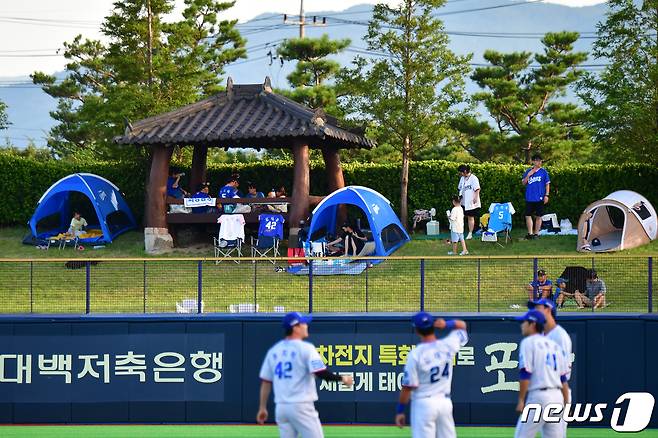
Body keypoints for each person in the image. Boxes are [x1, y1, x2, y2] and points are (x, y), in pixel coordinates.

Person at [257, 312, 354, 438]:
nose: (306, 325)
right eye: (303, 323)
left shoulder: (274, 351)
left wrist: (262, 407)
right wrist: (342, 378)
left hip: (281, 409)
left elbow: (266, 382)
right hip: (301, 406)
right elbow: (320, 373)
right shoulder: (306, 348)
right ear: (295, 327)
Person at [395, 312, 468, 438]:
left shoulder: (416, 354)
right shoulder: (448, 345)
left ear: (417, 330)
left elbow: (408, 387)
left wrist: (400, 410)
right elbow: (462, 326)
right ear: (433, 326)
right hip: (444, 403)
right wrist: (446, 324)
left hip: (424, 404)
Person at [514, 309, 569, 438]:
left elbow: (525, 374)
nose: (522, 325)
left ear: (532, 324)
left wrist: (521, 400)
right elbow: (563, 379)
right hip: (557, 398)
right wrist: (566, 403)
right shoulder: (554, 345)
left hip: (539, 397)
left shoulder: (528, 342)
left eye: (524, 322)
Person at [528, 298, 573, 437]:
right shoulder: (540, 334)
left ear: (548, 310)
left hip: (556, 392)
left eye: (538, 308)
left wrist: (564, 400)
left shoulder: (560, 336)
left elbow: (564, 372)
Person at [522, 154, 550, 240]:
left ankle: (536, 234)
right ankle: (530, 234)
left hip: (540, 197)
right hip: (529, 197)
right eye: (537, 160)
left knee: (539, 216)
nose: (539, 162)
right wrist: (529, 175)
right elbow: (523, 183)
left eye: (540, 160)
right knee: (528, 215)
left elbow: (547, 184)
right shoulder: (528, 171)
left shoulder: (543, 172)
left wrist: (546, 195)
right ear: (533, 161)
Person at [457, 164, 481, 240]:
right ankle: (460, 232)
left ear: (464, 171)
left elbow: (477, 189)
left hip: (471, 202)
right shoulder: (462, 179)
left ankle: (470, 233)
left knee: (470, 217)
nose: (460, 174)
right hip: (463, 201)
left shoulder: (474, 178)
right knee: (461, 216)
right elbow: (460, 188)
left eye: (460, 172)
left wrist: (475, 198)